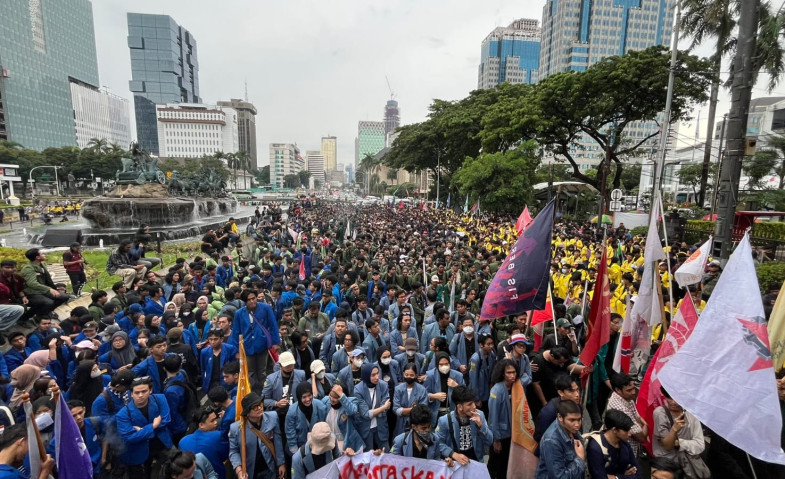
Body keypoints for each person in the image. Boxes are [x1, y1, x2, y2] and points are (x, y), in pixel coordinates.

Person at [116, 376, 174, 479]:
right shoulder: (123, 414)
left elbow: (166, 420)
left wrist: (141, 431)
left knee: (173, 470)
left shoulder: (160, 399)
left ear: (150, 390)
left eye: (144, 391)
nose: (141, 395)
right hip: (141, 450)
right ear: (131, 394)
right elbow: (129, 438)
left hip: (163, 443)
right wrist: (153, 425)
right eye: (137, 393)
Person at [228, 392, 286, 479]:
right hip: (251, 472)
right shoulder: (236, 429)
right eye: (255, 407)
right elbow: (233, 451)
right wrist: (239, 471)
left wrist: (281, 463)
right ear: (247, 413)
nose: (259, 408)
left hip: (269, 470)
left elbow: (278, 442)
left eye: (260, 404)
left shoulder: (273, 417)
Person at [230, 289, 280, 387]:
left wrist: (275, 342)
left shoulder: (265, 308)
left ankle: (264, 391)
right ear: (245, 301)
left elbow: (273, 325)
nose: (252, 301)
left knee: (262, 371)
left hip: (262, 344)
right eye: (249, 300)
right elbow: (236, 332)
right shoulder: (239, 313)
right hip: (247, 347)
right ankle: (253, 393)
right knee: (250, 372)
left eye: (253, 298)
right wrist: (236, 351)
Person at [652, 387, 707, 473]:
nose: (673, 402)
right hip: (666, 466)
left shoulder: (691, 414)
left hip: (686, 465)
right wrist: (674, 429)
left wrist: (679, 443)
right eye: (669, 398)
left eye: (676, 398)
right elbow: (668, 446)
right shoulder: (660, 413)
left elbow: (700, 445)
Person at [435, 385, 494, 464]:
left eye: (473, 402)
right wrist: (453, 454)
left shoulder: (480, 415)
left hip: (475, 461)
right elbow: (438, 443)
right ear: (460, 407)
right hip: (455, 463)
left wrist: (481, 426)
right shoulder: (444, 421)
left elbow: (489, 441)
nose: (474, 406)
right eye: (469, 404)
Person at [535, 399, 586, 479]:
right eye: (572, 420)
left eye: (579, 420)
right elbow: (559, 477)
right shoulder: (551, 441)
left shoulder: (570, 428)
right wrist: (580, 459)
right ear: (560, 417)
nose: (577, 424)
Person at [585, 409, 641, 479]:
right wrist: (625, 476)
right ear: (614, 430)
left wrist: (616, 477)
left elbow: (638, 474)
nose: (630, 433)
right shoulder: (596, 448)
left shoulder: (625, 444)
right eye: (626, 430)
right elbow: (600, 477)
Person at [488, 359, 519, 479]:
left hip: (511, 432)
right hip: (501, 434)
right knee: (497, 465)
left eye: (514, 372)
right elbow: (493, 417)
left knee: (506, 463)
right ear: (502, 373)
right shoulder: (497, 390)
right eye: (508, 373)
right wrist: (496, 439)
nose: (512, 375)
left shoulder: (515, 386)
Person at [179, 406, 229, 479]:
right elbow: (226, 455)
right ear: (201, 425)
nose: (216, 422)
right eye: (212, 421)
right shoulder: (218, 436)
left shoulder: (182, 441)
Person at [606, 373, 648, 458]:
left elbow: (638, 417)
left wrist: (642, 424)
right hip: (626, 452)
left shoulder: (625, 398)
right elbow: (641, 437)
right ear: (618, 390)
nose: (633, 392)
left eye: (633, 388)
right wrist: (646, 425)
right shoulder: (621, 409)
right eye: (629, 390)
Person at [21, 248, 69, 317]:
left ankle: (44, 313)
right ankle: (26, 317)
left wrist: (54, 288)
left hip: (42, 290)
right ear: (37, 257)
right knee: (48, 302)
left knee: (64, 296)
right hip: (32, 292)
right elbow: (32, 283)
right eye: (42, 254)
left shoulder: (41, 265)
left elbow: (47, 280)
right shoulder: (29, 268)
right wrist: (49, 289)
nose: (44, 255)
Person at [354, 363, 391, 451]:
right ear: (366, 376)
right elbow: (366, 414)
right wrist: (383, 408)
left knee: (387, 454)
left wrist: (377, 411)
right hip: (366, 428)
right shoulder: (358, 389)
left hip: (381, 426)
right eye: (373, 375)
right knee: (368, 457)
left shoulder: (383, 385)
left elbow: (386, 408)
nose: (377, 377)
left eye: (377, 373)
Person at [285, 382, 328, 454]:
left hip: (318, 445)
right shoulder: (292, 411)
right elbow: (290, 434)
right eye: (304, 397)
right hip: (300, 447)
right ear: (299, 397)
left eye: (309, 395)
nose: (308, 399)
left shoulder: (320, 407)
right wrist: (297, 454)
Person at [424, 351, 464, 426]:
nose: (444, 366)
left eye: (446, 364)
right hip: (436, 413)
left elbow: (465, 395)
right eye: (441, 364)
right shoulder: (430, 375)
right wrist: (434, 396)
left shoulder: (458, 376)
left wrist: (456, 386)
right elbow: (423, 394)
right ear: (437, 364)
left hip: (453, 412)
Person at [392, 363, 429, 437]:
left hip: (416, 423)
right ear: (403, 374)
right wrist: (414, 408)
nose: (409, 377)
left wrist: (404, 410)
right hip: (401, 424)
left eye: (411, 375)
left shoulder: (422, 389)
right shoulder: (398, 389)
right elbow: (396, 410)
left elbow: (422, 409)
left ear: (416, 375)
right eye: (406, 374)